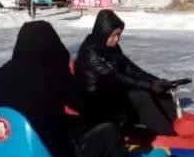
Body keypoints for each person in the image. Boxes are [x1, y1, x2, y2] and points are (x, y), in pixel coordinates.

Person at [0, 21, 140, 157]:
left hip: (10, 156)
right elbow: (84, 105)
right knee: (110, 132)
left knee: (70, 124)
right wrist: (113, 114)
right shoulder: (52, 73)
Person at [75, 9, 177, 137]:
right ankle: (168, 135)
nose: (117, 39)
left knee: (158, 92)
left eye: (119, 35)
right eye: (113, 35)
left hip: (113, 94)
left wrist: (155, 81)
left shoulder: (111, 48)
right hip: (96, 103)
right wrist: (149, 86)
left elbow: (130, 69)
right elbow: (117, 78)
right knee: (140, 96)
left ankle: (178, 124)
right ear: (103, 33)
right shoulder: (90, 53)